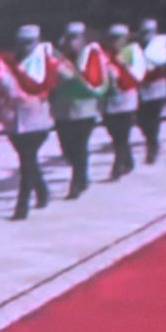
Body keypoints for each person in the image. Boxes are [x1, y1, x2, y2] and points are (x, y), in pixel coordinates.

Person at [3, 24, 56, 220]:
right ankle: (42, 191)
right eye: (21, 42)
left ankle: (22, 205)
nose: (25, 46)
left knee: (27, 162)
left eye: (29, 42)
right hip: (15, 121)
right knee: (28, 161)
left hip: (37, 120)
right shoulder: (11, 61)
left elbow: (49, 86)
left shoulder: (46, 61)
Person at [54, 22, 103, 200]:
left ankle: (77, 182)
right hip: (63, 110)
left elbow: (94, 79)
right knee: (67, 148)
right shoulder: (59, 57)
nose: (71, 42)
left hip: (85, 109)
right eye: (68, 38)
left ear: (82, 39)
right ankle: (81, 174)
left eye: (75, 38)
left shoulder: (90, 55)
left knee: (80, 146)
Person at [102, 24, 140, 182]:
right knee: (115, 134)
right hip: (109, 100)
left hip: (127, 98)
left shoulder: (132, 52)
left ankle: (117, 166)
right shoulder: (104, 55)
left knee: (122, 134)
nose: (115, 41)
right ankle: (128, 161)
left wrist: (123, 68)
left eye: (119, 38)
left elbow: (138, 75)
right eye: (113, 38)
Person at [135, 18, 166, 165]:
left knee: (153, 119)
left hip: (157, 86)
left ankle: (152, 146)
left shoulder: (161, 46)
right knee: (142, 119)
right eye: (144, 32)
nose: (146, 35)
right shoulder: (136, 46)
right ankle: (151, 139)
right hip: (142, 87)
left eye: (149, 32)